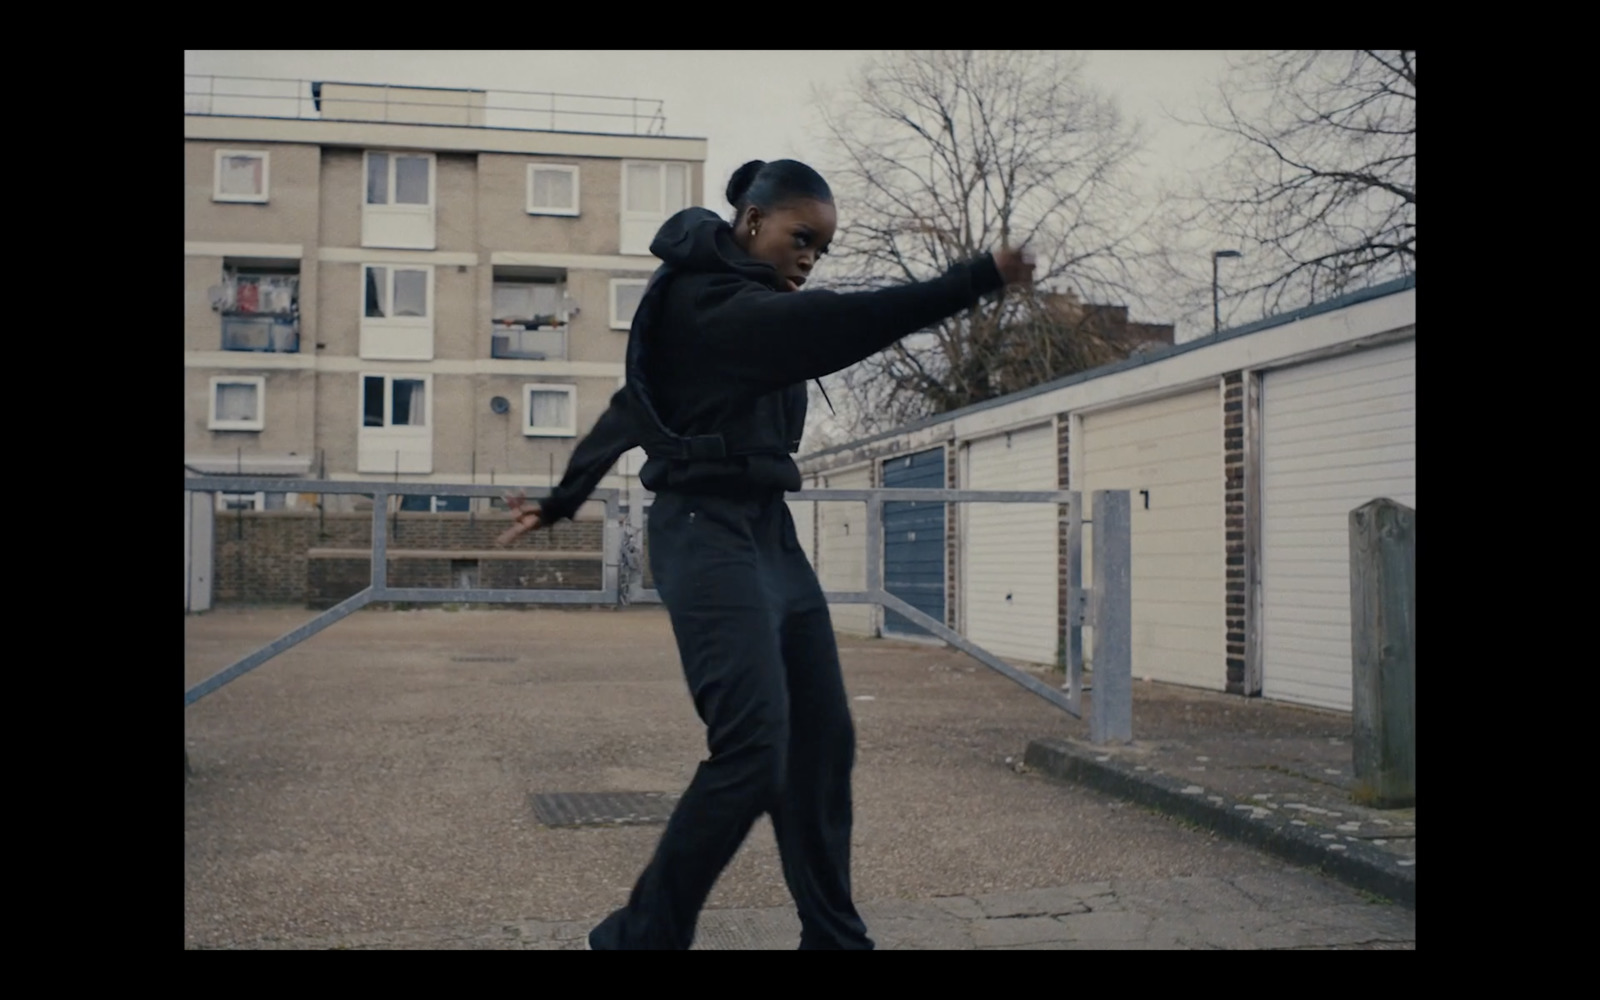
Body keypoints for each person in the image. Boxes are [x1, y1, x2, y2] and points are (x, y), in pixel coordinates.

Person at [497, 159, 1034, 950]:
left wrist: (563, 496)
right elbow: (836, 326)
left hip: (769, 537)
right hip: (701, 531)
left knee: (821, 746)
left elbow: (631, 403)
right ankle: (639, 938)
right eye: (801, 237)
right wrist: (973, 277)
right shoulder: (706, 302)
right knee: (753, 747)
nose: (811, 257)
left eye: (823, 247)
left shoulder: (743, 306)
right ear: (751, 223)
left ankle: (834, 940)